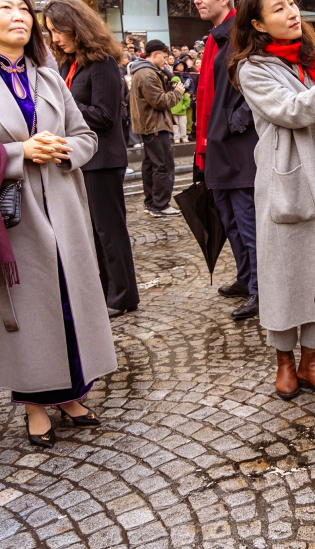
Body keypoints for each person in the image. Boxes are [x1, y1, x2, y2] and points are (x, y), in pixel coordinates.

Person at [229, 0, 315, 399]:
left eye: (292, 3)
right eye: (278, 8)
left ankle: (312, 362)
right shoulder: (252, 68)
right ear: (258, 23)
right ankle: (285, 362)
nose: (291, 12)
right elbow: (292, 111)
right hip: (285, 183)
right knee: (283, 273)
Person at [0, 0, 118, 448]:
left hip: (64, 205)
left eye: (24, 8)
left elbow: (86, 135)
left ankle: (72, 393)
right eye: (5, 6)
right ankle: (34, 405)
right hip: (16, 213)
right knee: (30, 309)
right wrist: (19, 153)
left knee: (70, 298)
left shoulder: (47, 75)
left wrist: (62, 149)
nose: (18, 15)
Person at [43, 0, 140, 319]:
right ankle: (105, 290)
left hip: (103, 159)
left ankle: (124, 295)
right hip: (80, 159)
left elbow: (105, 115)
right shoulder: (68, 64)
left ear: (77, 26)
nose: (55, 38)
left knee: (109, 230)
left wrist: (64, 107)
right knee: (92, 230)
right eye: (50, 32)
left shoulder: (103, 63)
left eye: (57, 30)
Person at [194, 0, 260, 321]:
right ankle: (246, 278)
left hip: (237, 149)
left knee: (248, 225)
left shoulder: (240, 32)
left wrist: (237, 119)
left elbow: (260, 74)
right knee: (231, 223)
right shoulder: (216, 37)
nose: (197, 0)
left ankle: (261, 290)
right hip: (218, 147)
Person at [129, 39, 184, 217]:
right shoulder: (147, 73)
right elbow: (159, 102)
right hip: (155, 126)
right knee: (163, 166)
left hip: (150, 125)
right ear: (155, 54)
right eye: (164, 57)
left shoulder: (146, 72)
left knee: (151, 166)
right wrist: (177, 93)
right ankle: (160, 204)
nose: (166, 61)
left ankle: (152, 203)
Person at [169, 76, 190, 143]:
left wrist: (183, 107)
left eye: (174, 83)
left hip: (182, 112)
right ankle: (176, 138)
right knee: (175, 126)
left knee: (183, 125)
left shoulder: (183, 92)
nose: (173, 85)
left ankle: (184, 137)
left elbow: (187, 101)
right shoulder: (171, 92)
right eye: (172, 83)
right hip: (174, 112)